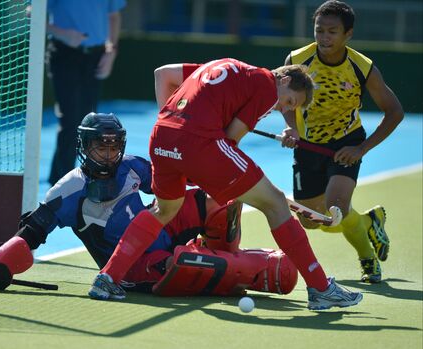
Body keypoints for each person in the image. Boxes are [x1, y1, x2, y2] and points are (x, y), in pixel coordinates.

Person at [89, 58, 364, 311]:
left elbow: (163, 75)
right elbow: (231, 138)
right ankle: (320, 288)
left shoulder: (219, 66)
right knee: (276, 202)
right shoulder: (267, 86)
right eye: (290, 102)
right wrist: (201, 159)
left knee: (164, 211)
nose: (284, 109)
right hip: (200, 143)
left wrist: (183, 136)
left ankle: (107, 278)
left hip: (162, 135)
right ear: (283, 80)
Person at [0, 112, 299, 298]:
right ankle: (240, 268)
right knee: (279, 274)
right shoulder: (69, 190)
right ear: (84, 147)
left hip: (162, 229)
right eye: (100, 147)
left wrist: (243, 187)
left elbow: (181, 185)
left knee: (219, 202)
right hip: (138, 266)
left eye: (113, 147)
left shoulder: (134, 165)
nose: (108, 155)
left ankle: (227, 258)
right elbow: (31, 233)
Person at [280, 1, 404, 284]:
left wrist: (360, 149)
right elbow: (284, 101)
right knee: (312, 220)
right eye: (319, 30)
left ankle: (368, 260)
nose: (324, 37)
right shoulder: (298, 61)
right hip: (308, 145)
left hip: (346, 144)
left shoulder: (362, 68)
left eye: (332, 32)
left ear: (348, 34)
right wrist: (291, 129)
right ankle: (368, 222)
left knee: (336, 207)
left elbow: (394, 112)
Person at [45, 0, 126, 185]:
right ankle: (60, 185)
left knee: (90, 123)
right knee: (70, 121)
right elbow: (31, 14)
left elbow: (114, 16)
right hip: (64, 54)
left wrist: (111, 52)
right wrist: (63, 34)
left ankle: (91, 181)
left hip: (96, 56)